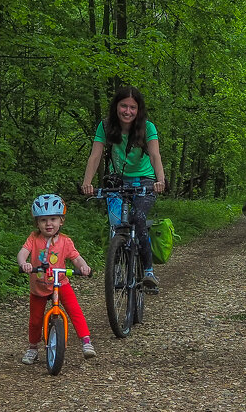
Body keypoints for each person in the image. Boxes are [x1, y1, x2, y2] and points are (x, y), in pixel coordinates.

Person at [81, 85, 167, 289]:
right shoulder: (105, 126)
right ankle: (118, 263)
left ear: (139, 110)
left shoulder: (148, 127)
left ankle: (148, 272)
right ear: (116, 107)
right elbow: (95, 156)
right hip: (116, 181)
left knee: (137, 218)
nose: (127, 111)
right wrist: (87, 182)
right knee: (116, 223)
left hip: (144, 180)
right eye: (123, 106)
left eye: (133, 107)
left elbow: (155, 155)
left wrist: (161, 181)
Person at [17, 193, 96, 364]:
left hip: (60, 284)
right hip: (38, 287)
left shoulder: (65, 242)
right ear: (37, 222)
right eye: (43, 220)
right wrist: (24, 263)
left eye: (53, 219)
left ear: (61, 221)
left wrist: (83, 267)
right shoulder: (34, 238)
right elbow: (23, 252)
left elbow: (75, 257)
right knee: (36, 320)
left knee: (75, 311)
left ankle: (86, 341)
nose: (48, 224)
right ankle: (33, 348)